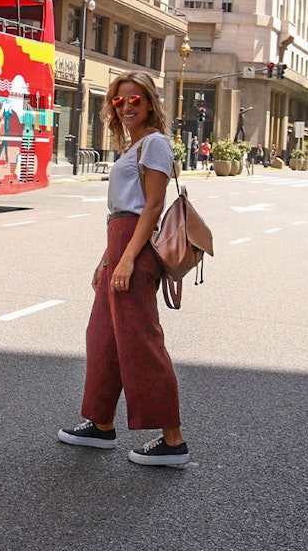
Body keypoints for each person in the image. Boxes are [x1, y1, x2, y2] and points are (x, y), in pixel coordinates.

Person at [57, 70, 190, 467]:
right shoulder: (133, 147)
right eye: (119, 100)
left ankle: (173, 440)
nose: (127, 106)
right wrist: (107, 258)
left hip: (134, 243)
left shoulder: (154, 145)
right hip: (119, 240)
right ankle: (100, 425)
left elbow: (151, 207)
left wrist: (128, 258)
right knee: (103, 336)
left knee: (139, 340)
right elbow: (121, 211)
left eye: (135, 100)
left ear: (150, 102)